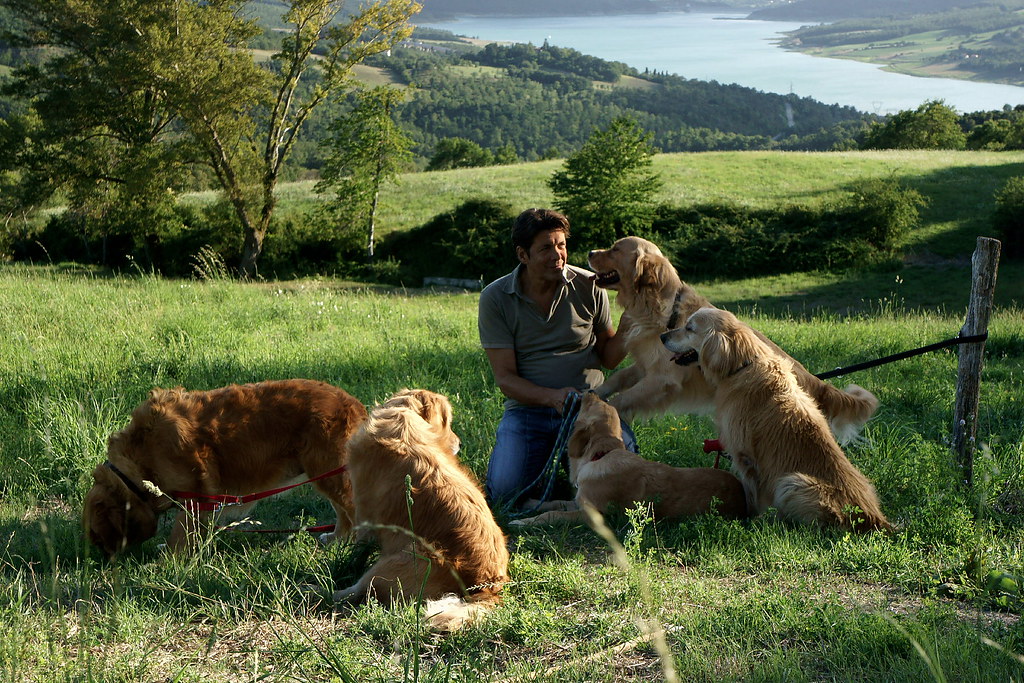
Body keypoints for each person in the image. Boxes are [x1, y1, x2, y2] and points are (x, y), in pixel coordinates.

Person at [478, 208, 637, 509]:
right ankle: (563, 483)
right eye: (546, 248)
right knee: (504, 496)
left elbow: (610, 358)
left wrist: (631, 317)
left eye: (561, 244)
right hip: (528, 412)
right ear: (522, 254)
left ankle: (573, 476)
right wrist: (552, 397)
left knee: (624, 485)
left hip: (590, 410)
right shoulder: (496, 298)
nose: (557, 255)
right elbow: (506, 379)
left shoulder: (590, 285)